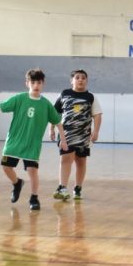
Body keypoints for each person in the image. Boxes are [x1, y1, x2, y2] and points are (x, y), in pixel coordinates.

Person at [0, 68, 68, 211]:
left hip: (32, 144)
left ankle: (34, 198)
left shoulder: (46, 104)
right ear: (27, 83)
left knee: (32, 171)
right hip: (14, 141)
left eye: (39, 82)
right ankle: (17, 183)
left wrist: (63, 139)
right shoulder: (19, 99)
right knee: (6, 167)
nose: (36, 85)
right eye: (33, 82)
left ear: (43, 84)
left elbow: (58, 121)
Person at [50, 69, 103, 201]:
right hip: (66, 135)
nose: (80, 80)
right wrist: (51, 129)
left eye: (83, 78)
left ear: (86, 81)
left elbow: (97, 115)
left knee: (81, 161)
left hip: (83, 136)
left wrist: (96, 131)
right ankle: (62, 187)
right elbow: (54, 113)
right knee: (65, 159)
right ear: (71, 80)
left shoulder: (90, 97)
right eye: (77, 77)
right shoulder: (64, 94)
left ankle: (78, 188)